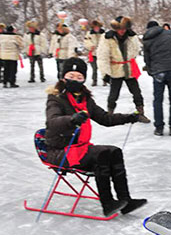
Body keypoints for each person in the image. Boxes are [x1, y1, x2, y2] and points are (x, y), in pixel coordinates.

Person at [45, 58, 147, 217]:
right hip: (59, 150)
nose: (75, 80)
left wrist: (128, 117)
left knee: (114, 151)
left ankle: (125, 200)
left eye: (79, 77)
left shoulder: (85, 99)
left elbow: (105, 118)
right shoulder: (56, 98)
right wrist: (72, 120)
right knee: (101, 155)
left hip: (81, 147)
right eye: (71, 76)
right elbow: (52, 122)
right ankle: (107, 203)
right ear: (63, 77)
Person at [97, 16, 150, 122]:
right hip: (115, 69)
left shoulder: (131, 37)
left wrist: (133, 41)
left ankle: (140, 112)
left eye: (124, 29)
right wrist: (105, 73)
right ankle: (109, 114)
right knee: (113, 94)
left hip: (129, 68)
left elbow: (135, 50)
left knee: (136, 92)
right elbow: (103, 56)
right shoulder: (107, 38)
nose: (122, 31)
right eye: (119, 29)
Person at [142, 20, 171, 136]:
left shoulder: (147, 38)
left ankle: (159, 127)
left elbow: (147, 57)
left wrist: (151, 70)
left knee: (158, 100)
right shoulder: (169, 33)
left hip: (159, 71)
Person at [83, 19, 106, 86]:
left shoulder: (104, 34)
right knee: (94, 68)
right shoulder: (89, 33)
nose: (96, 28)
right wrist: (90, 46)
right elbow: (86, 41)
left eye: (97, 27)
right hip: (93, 53)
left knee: (103, 68)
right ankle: (94, 80)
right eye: (95, 27)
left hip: (102, 53)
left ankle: (105, 80)